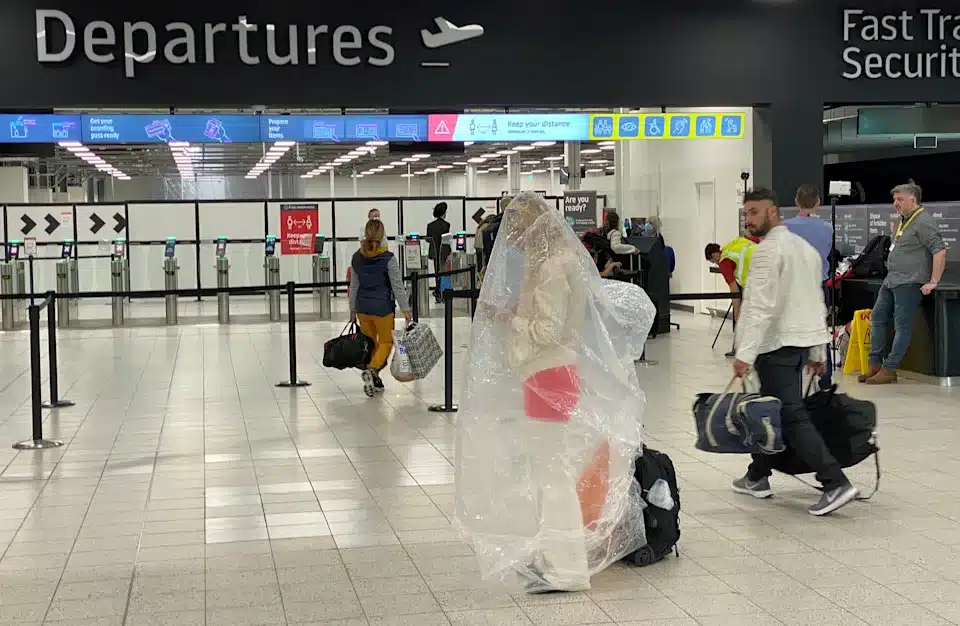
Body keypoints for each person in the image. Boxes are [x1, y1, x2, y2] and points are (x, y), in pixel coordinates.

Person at [454, 191, 650, 594]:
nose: (515, 242)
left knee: (553, 473)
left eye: (518, 233)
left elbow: (547, 330)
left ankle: (567, 569)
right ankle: (553, 557)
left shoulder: (551, 269)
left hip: (548, 374)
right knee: (549, 471)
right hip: (552, 375)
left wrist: (510, 316)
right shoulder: (560, 262)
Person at [731, 187, 858, 516]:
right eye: (746, 213)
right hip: (801, 343)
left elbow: (758, 306)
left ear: (773, 212)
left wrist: (743, 352)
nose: (749, 220)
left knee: (789, 415)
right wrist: (818, 352)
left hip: (777, 346)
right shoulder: (805, 251)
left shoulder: (766, 253)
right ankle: (757, 475)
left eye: (755, 212)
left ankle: (834, 482)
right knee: (774, 411)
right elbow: (815, 303)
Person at [863, 182, 947, 385]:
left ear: (913, 199)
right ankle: (875, 364)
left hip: (909, 282)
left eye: (900, 199)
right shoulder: (903, 220)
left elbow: (940, 251)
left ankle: (890, 368)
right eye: (894, 199)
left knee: (902, 325)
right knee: (877, 317)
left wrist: (933, 281)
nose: (895, 203)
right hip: (891, 280)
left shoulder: (924, 222)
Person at [349, 219, 412, 397]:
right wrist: (406, 309)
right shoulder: (388, 259)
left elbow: (354, 286)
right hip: (383, 308)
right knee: (386, 342)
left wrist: (352, 310)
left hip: (363, 308)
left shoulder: (357, 257)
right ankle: (372, 369)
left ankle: (375, 379)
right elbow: (397, 286)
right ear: (382, 235)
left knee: (370, 344)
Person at [783, 184, 834, 387]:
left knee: (791, 333)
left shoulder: (785, 227)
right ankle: (825, 379)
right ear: (818, 203)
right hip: (819, 285)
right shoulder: (827, 228)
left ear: (796, 202)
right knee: (821, 332)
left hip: (792, 287)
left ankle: (793, 379)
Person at [704, 235, 759, 357]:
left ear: (714, 255)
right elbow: (754, 240)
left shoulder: (724, 263)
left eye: (713, 261)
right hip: (765, 262)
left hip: (754, 280)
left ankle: (739, 348)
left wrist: (737, 313)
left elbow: (734, 291)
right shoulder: (732, 244)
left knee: (742, 315)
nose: (716, 264)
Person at [426, 202, 451, 301]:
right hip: (444, 251)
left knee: (437, 271)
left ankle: (437, 291)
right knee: (444, 272)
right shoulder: (446, 225)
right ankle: (441, 291)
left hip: (434, 251)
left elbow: (428, 239)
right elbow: (447, 240)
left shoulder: (430, 225)